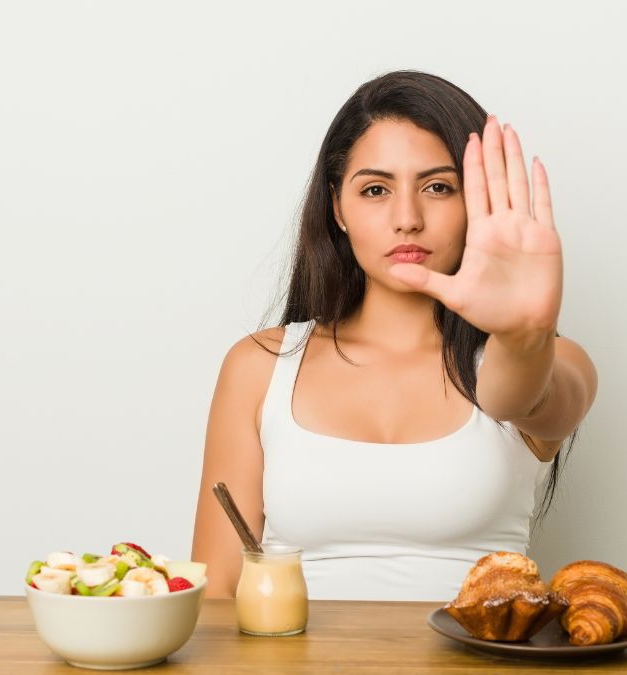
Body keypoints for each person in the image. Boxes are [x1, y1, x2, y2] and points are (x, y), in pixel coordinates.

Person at [191, 70, 597, 601]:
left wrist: (525, 334)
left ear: (477, 202)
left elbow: (519, 396)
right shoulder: (260, 365)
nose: (407, 218)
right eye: (376, 189)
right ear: (338, 207)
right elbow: (215, 596)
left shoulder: (546, 357)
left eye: (438, 187)